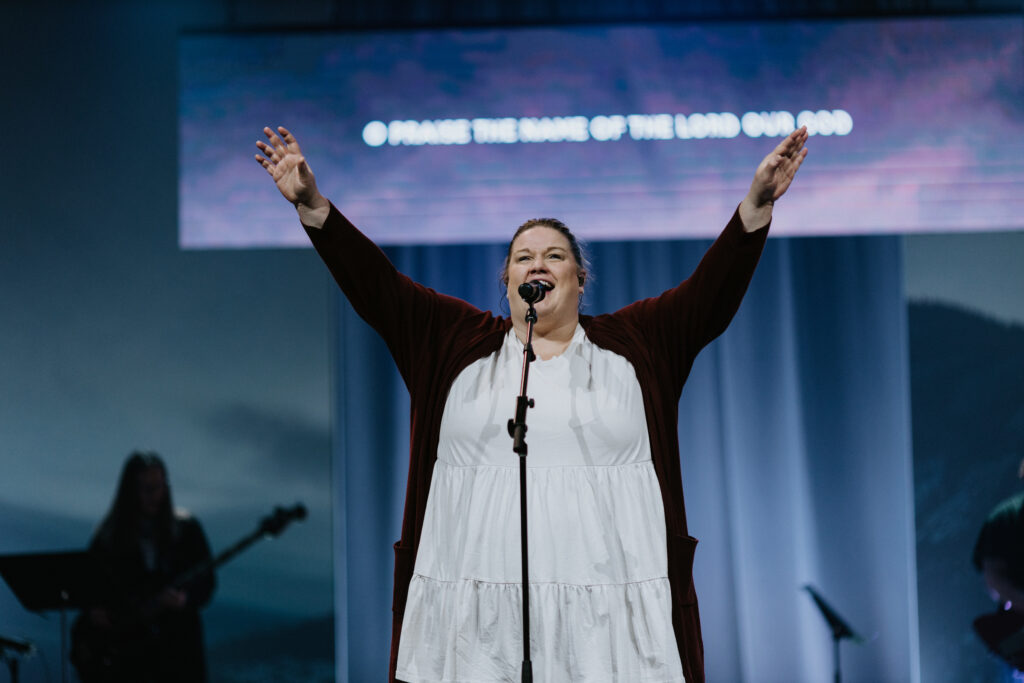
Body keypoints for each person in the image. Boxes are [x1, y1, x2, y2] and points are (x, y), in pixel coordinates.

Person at [256, 124, 808, 683]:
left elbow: (708, 297)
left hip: (608, 618)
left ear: (579, 279)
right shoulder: (452, 342)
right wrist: (315, 207)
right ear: (507, 280)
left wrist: (754, 207)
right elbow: (378, 287)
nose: (537, 265)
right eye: (523, 257)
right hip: (476, 621)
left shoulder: (639, 344)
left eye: (554, 255)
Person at [71, 451, 216, 683]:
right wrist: (94, 611)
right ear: (131, 491)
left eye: (158, 487)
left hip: (176, 653)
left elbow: (207, 582)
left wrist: (184, 600)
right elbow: (89, 585)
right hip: (128, 655)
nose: (154, 496)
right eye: (146, 488)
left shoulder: (187, 530)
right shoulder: (109, 535)